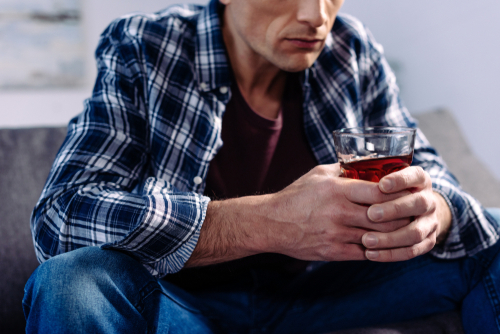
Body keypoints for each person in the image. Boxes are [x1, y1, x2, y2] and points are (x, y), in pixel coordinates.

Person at [23, 0, 500, 333]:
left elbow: (435, 177)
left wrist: (433, 208)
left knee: (492, 233)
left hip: (325, 294)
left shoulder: (352, 50)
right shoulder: (146, 46)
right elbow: (64, 216)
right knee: (73, 283)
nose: (317, 17)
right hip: (182, 303)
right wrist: (271, 222)